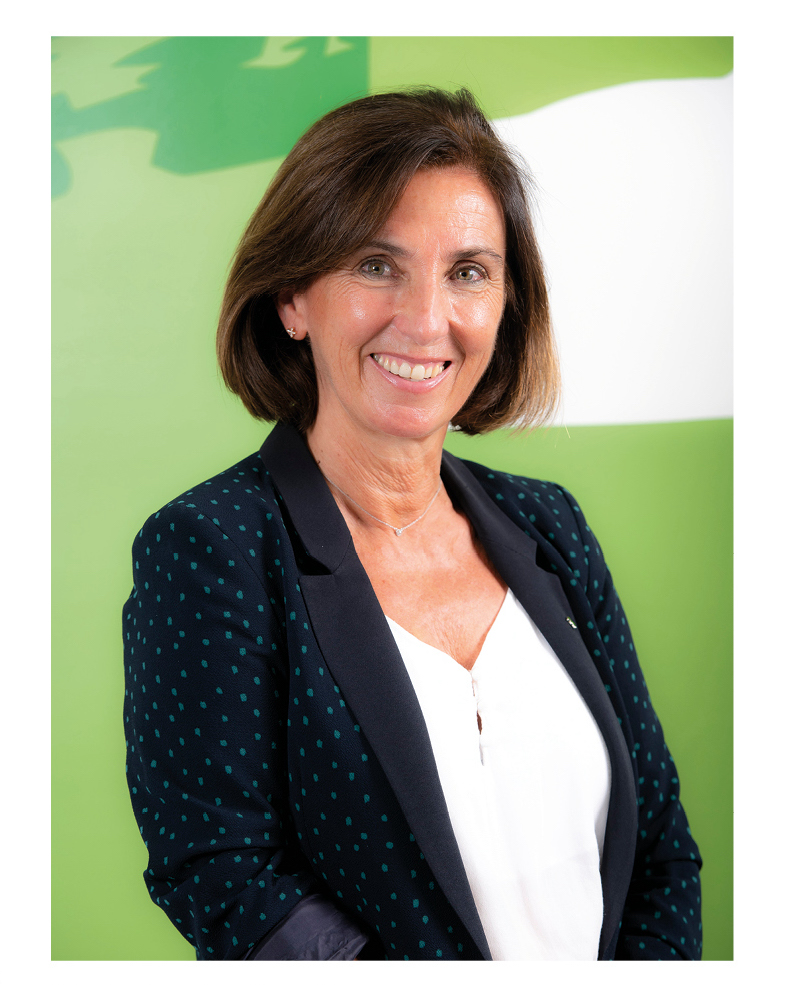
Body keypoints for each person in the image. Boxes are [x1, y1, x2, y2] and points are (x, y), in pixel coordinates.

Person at [122, 87, 702, 961]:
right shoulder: (212, 548)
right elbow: (221, 872)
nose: (427, 320)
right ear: (291, 298)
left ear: (505, 302)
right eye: (375, 264)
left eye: (467, 271)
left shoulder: (550, 525)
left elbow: (658, 844)